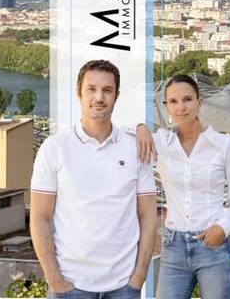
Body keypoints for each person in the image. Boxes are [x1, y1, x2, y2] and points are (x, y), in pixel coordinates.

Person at [30, 60, 158, 299]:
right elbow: (39, 218)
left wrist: (139, 276)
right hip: (70, 286)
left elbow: (149, 216)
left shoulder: (136, 148)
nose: (99, 97)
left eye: (107, 90)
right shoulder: (54, 148)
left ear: (116, 96)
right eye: (92, 89)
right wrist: (55, 280)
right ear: (79, 93)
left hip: (124, 286)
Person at [134, 74, 230, 299]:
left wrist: (221, 228)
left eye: (187, 99)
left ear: (199, 102)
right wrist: (140, 127)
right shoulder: (161, 143)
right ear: (166, 107)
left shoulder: (225, 145)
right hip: (173, 247)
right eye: (173, 102)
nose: (181, 107)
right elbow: (118, 132)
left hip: (213, 246)